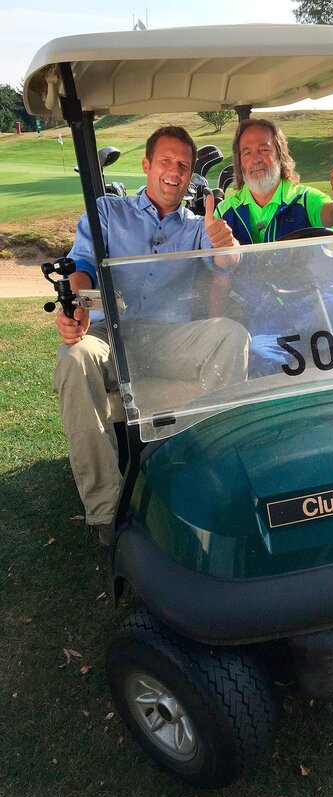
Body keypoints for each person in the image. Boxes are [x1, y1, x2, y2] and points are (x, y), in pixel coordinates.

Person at [53, 125, 249, 546]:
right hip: (109, 330)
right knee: (74, 357)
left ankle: (207, 468)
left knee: (230, 336)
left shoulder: (198, 226)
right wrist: (77, 306)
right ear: (147, 165)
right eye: (166, 161)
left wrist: (226, 244)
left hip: (166, 337)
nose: (174, 171)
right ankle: (108, 512)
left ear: (191, 175)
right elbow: (82, 264)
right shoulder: (108, 212)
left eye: (183, 165)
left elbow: (226, 261)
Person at [215, 118, 333, 375]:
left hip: (318, 304)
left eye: (264, 149)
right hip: (265, 317)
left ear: (280, 155)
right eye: (247, 152)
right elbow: (219, 273)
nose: (256, 159)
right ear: (240, 162)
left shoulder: (304, 198)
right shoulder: (225, 212)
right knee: (258, 356)